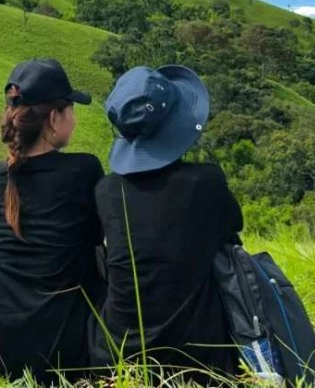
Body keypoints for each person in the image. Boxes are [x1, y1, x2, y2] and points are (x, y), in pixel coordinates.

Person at [89, 64, 243, 384]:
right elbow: (232, 228)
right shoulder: (207, 183)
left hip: (116, 359)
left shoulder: (107, 190)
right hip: (200, 364)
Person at [0, 58, 105, 383]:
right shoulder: (83, 171)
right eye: (71, 109)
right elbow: (97, 241)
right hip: (56, 356)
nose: (74, 118)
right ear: (54, 118)